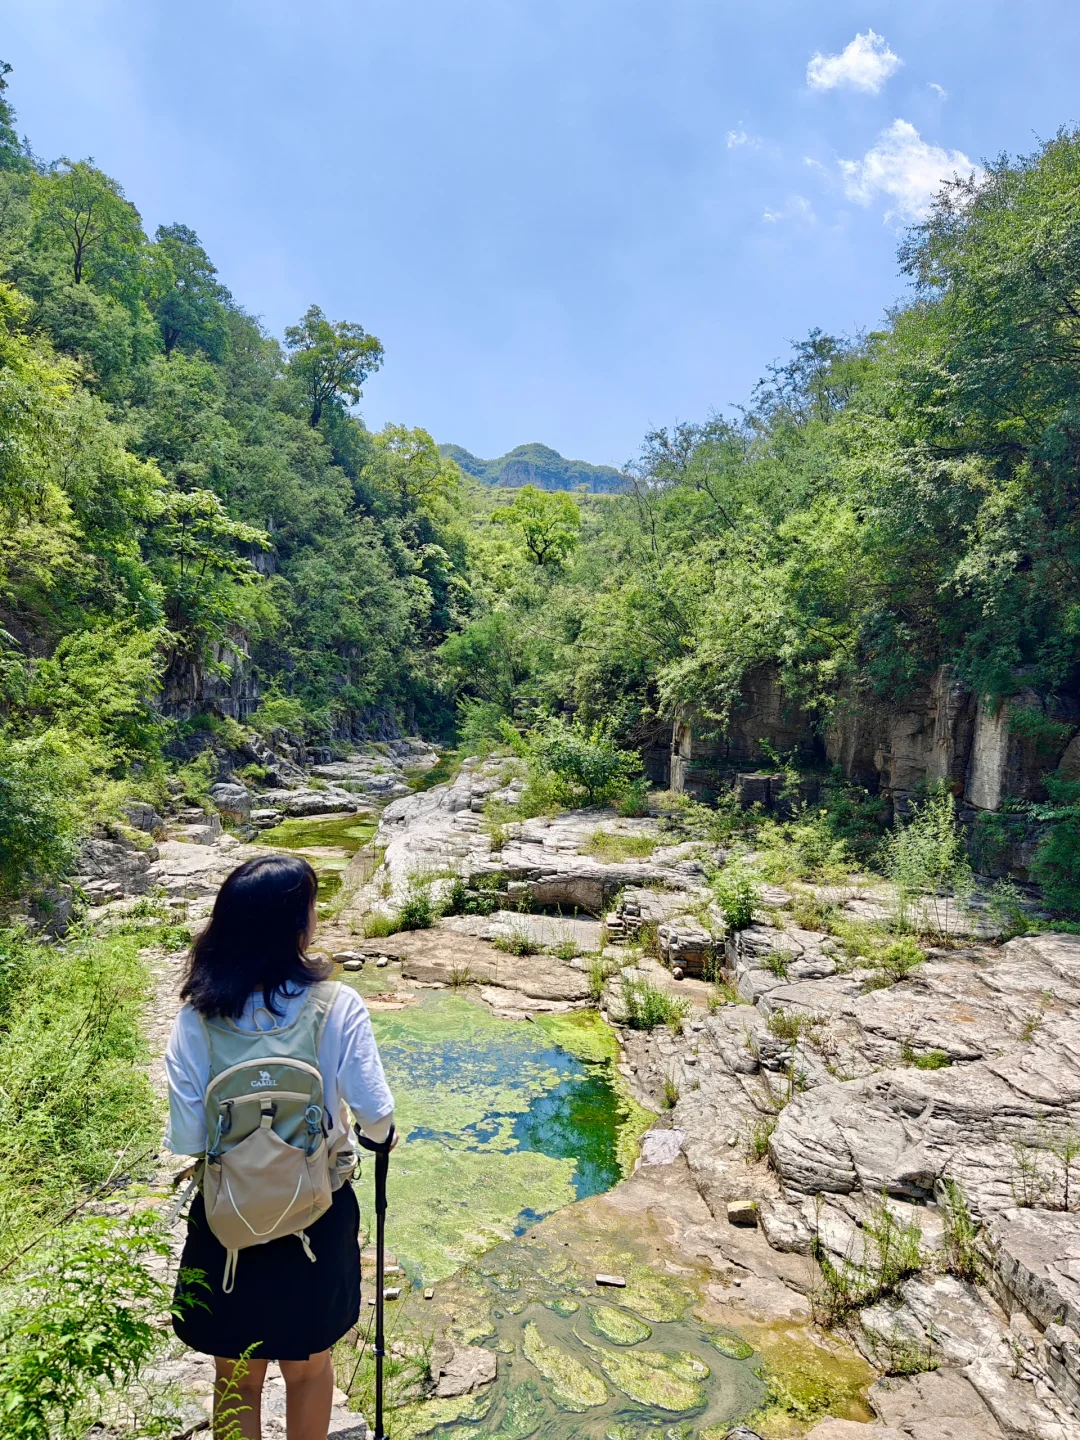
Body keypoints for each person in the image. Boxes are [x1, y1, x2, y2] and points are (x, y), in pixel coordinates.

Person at [165, 853, 395, 1440]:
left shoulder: (197, 1018)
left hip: (227, 1219)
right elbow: (376, 1113)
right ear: (299, 923)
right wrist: (378, 1138)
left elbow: (189, 1138)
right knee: (310, 1366)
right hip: (315, 1213)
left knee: (235, 1371)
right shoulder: (337, 1006)